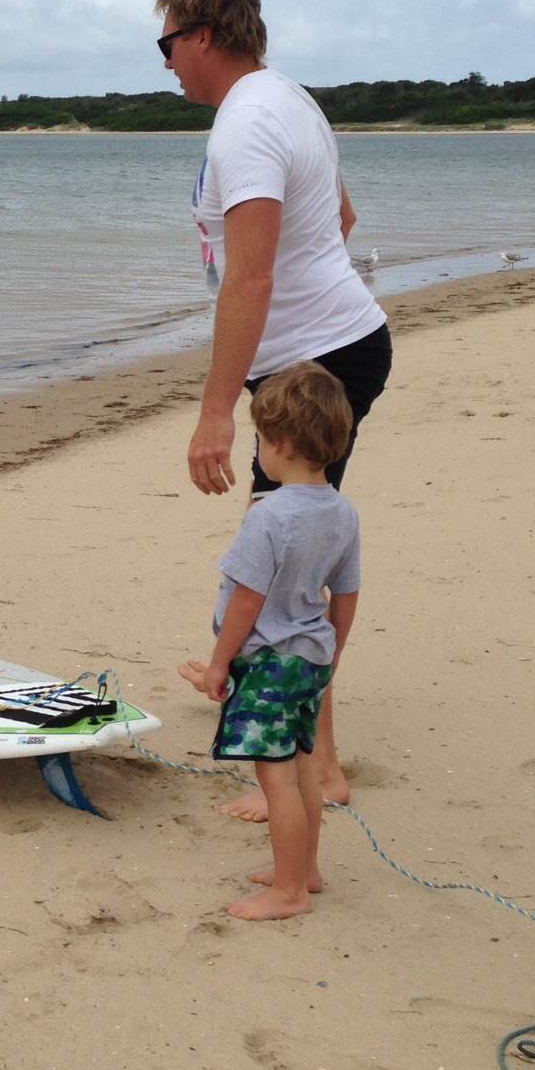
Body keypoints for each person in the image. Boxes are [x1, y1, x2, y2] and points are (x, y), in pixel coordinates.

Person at [156, 0, 389, 822]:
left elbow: (249, 279)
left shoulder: (247, 124)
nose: (167, 64)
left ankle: (314, 768)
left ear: (203, 35)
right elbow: (342, 220)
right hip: (338, 346)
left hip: (312, 367)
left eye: (167, 45)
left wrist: (216, 413)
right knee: (290, 555)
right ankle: (303, 751)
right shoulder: (289, 99)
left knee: (283, 566)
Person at [178, 363, 360, 921]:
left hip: (269, 663)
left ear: (279, 444)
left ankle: (288, 892)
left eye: (258, 439)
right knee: (304, 769)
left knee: (275, 777)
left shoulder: (269, 515)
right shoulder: (342, 512)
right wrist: (334, 654)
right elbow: (345, 595)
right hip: (312, 659)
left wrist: (219, 664)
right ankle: (305, 870)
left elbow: (246, 600)